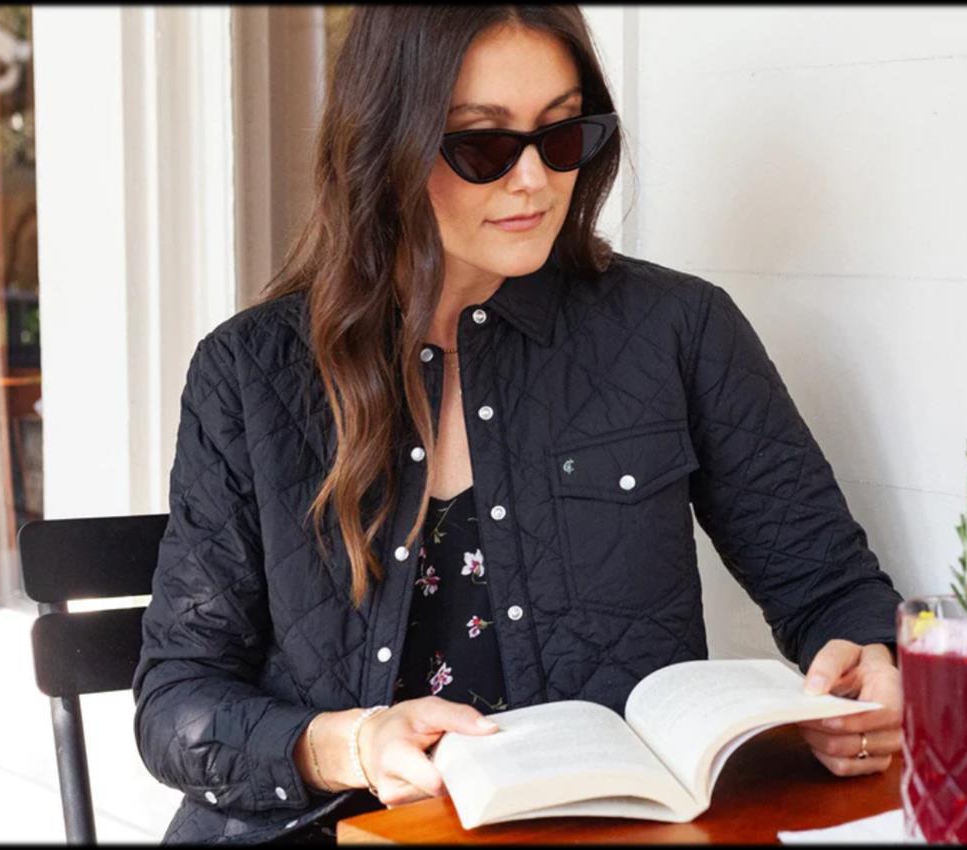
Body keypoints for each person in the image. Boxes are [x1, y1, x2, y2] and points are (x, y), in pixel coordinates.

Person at [132, 6, 904, 845]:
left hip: (593, 832)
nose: (535, 180)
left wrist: (868, 662)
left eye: (562, 134)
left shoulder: (678, 332)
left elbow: (832, 588)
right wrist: (351, 744)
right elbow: (178, 702)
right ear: (385, 144)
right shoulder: (250, 374)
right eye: (484, 145)